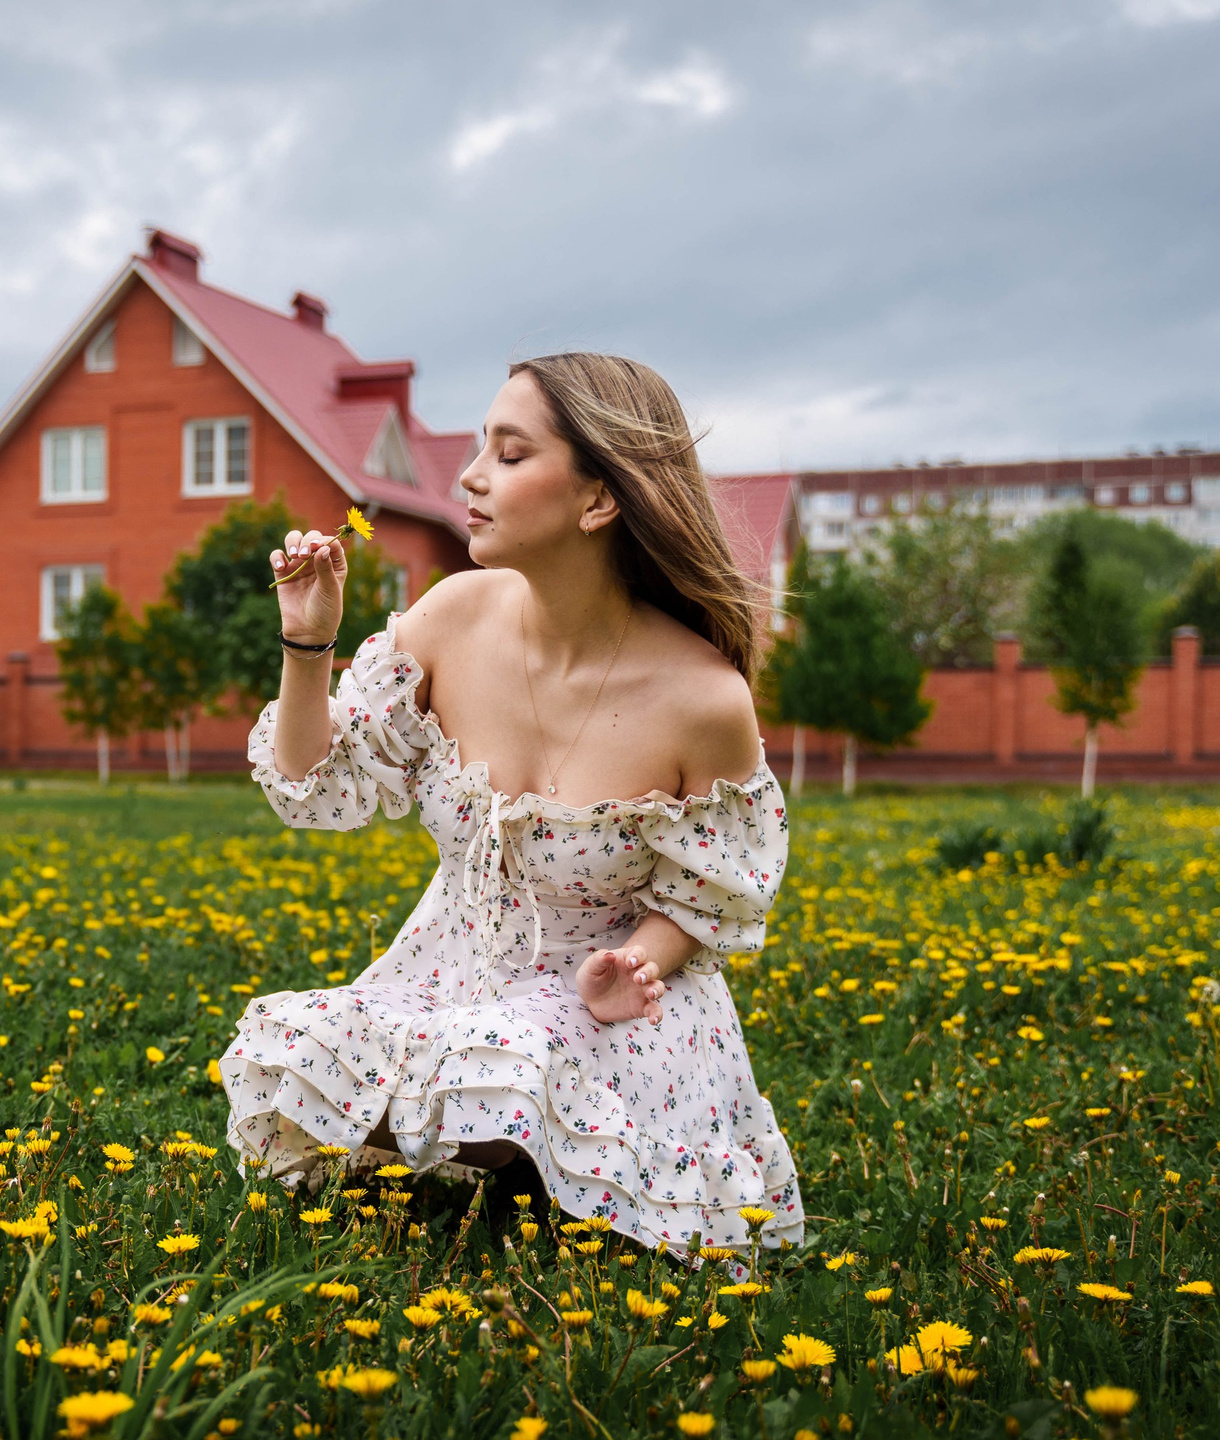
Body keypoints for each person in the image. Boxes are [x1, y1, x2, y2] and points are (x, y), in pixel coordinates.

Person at [215, 352, 804, 1258]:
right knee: (301, 1041)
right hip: (448, 972)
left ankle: (515, 1160)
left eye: (511, 453)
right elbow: (315, 787)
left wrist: (635, 966)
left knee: (499, 1055)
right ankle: (491, 1155)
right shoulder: (450, 616)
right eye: (480, 446)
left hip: (605, 1000)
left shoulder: (703, 698)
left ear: (598, 500)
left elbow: (714, 892)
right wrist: (309, 643)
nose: (469, 475)